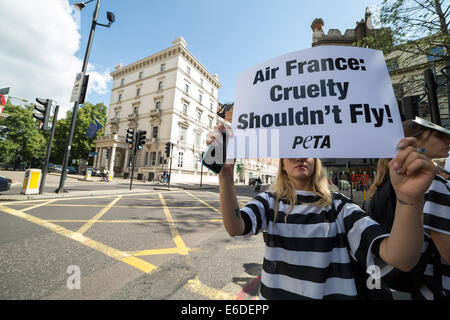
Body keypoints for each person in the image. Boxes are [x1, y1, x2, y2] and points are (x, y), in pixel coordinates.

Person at [207, 125, 436, 300]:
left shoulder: (339, 206)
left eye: (306, 148)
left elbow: (400, 259)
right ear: (282, 166)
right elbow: (235, 226)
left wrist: (409, 200)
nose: (299, 156)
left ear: (316, 160)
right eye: (291, 152)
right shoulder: (270, 202)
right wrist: (225, 175)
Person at [367, 117, 450, 300]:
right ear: (414, 140)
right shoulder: (430, 184)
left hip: (407, 283)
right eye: (438, 136)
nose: (447, 141)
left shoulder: (384, 185)